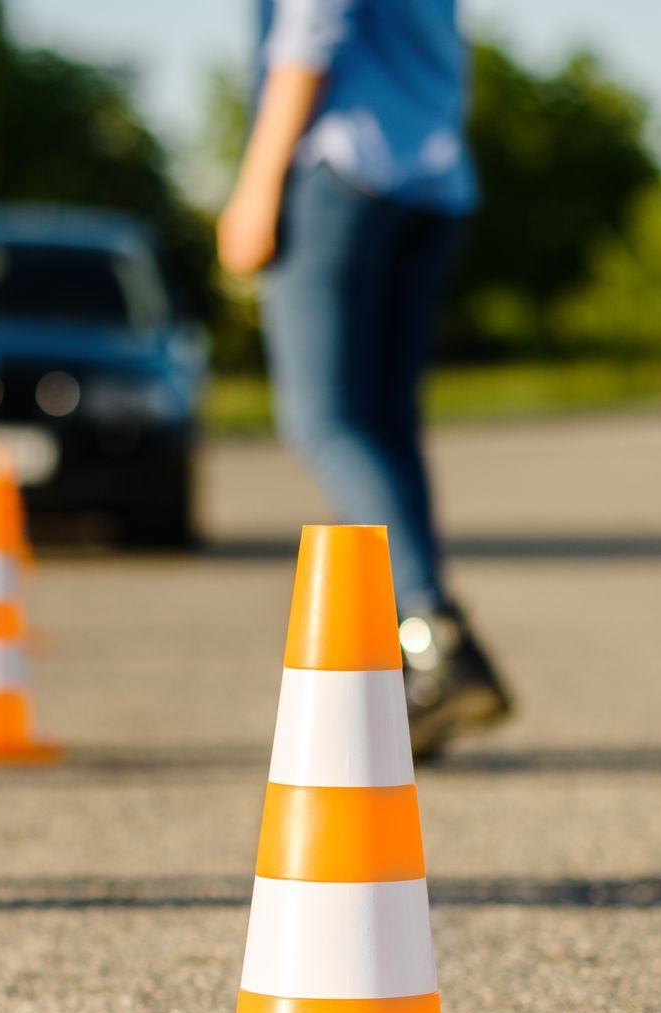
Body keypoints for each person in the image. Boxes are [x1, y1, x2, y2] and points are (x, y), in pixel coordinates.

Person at [218, 0, 510, 756]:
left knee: (324, 420)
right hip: (433, 175)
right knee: (383, 422)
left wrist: (257, 181)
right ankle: (424, 665)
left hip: (344, 172)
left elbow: (310, 28)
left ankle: (434, 636)